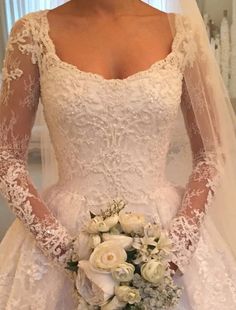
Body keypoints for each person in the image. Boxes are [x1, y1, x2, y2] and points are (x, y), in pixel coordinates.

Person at [0, 0, 236, 309]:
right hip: (62, 236)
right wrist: (60, 247)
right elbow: (7, 156)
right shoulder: (31, 33)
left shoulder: (182, 32)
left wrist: (183, 237)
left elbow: (211, 151)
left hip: (165, 236)